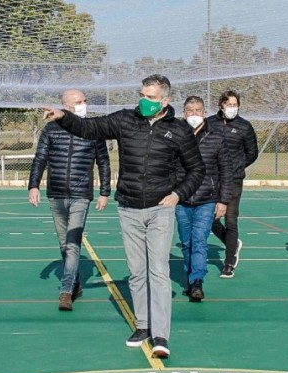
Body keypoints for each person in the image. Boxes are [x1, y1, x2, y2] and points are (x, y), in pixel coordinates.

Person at [41, 75, 205, 358]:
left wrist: (178, 194)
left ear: (164, 101)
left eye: (151, 97)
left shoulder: (178, 131)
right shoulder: (125, 120)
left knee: (159, 271)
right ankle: (142, 325)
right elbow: (89, 127)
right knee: (137, 273)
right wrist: (62, 117)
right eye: (142, 94)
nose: (144, 100)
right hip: (129, 208)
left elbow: (196, 170)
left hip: (160, 210)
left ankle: (161, 335)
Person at [28, 89, 111, 311]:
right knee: (64, 244)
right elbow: (40, 159)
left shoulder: (94, 130)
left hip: (81, 195)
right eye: (78, 102)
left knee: (73, 244)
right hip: (55, 194)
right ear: (65, 106)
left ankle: (65, 292)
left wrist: (105, 192)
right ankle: (75, 283)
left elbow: (103, 162)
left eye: (84, 100)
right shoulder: (51, 130)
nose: (83, 104)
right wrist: (33, 186)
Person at [176, 96, 232, 302]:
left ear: (204, 112)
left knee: (199, 240)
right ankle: (190, 280)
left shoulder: (216, 137)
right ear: (184, 113)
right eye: (190, 111)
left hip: (207, 199)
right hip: (181, 199)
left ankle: (197, 280)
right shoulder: (176, 135)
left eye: (197, 110)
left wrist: (223, 200)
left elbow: (226, 171)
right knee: (186, 242)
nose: (194, 114)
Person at [207, 90, 259, 279]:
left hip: (234, 180)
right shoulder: (210, 123)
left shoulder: (244, 126)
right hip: (213, 179)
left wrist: (236, 167)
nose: (232, 108)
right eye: (228, 104)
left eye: (234, 104)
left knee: (230, 219)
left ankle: (228, 263)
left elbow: (252, 152)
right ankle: (232, 243)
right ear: (221, 105)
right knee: (211, 219)